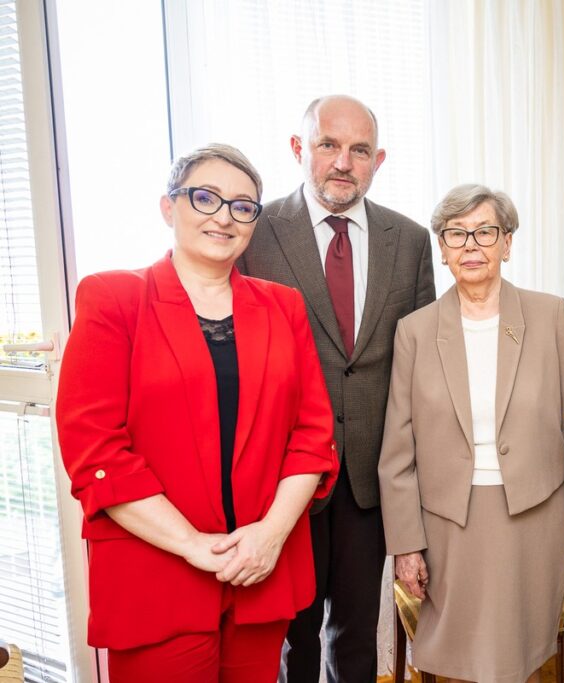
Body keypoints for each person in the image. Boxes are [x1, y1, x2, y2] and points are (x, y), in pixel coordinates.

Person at [55, 144, 339, 682]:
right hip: (155, 574)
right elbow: (96, 450)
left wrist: (271, 535)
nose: (222, 217)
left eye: (241, 206)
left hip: (261, 567)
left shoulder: (283, 307)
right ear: (169, 207)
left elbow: (313, 434)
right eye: (205, 198)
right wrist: (192, 545)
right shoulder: (114, 298)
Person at [378, 184, 564, 683]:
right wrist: (405, 543)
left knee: (516, 658)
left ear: (507, 243)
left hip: (533, 517)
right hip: (449, 525)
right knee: (458, 656)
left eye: (485, 231)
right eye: (456, 234)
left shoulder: (550, 315)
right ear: (441, 249)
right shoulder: (415, 331)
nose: (471, 245)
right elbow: (398, 451)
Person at [238, 95, 435, 682]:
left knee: (354, 633)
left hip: (370, 478)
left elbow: (420, 366)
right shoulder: (254, 232)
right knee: (292, 634)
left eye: (359, 150)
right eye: (328, 144)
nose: (342, 162)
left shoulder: (411, 239)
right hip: (281, 481)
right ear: (300, 149)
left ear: (379, 159)